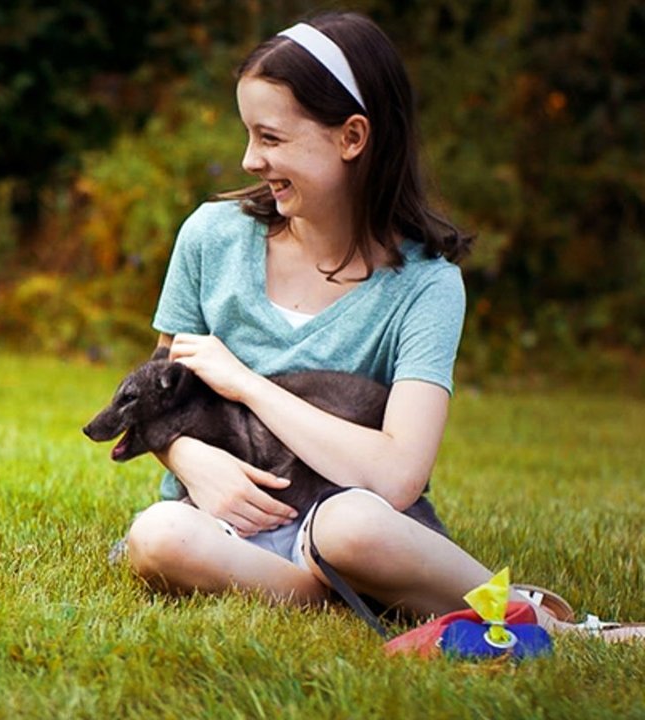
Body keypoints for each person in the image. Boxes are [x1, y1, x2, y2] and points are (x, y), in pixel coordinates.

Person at [122, 13, 642, 642]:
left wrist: (248, 385)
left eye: (272, 138)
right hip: (223, 526)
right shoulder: (211, 237)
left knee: (349, 528)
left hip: (356, 518)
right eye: (249, 136)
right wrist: (191, 459)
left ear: (352, 137)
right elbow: (154, 396)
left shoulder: (426, 285)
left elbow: (398, 476)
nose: (250, 159)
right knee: (156, 536)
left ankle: (553, 625)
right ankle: (350, 595)